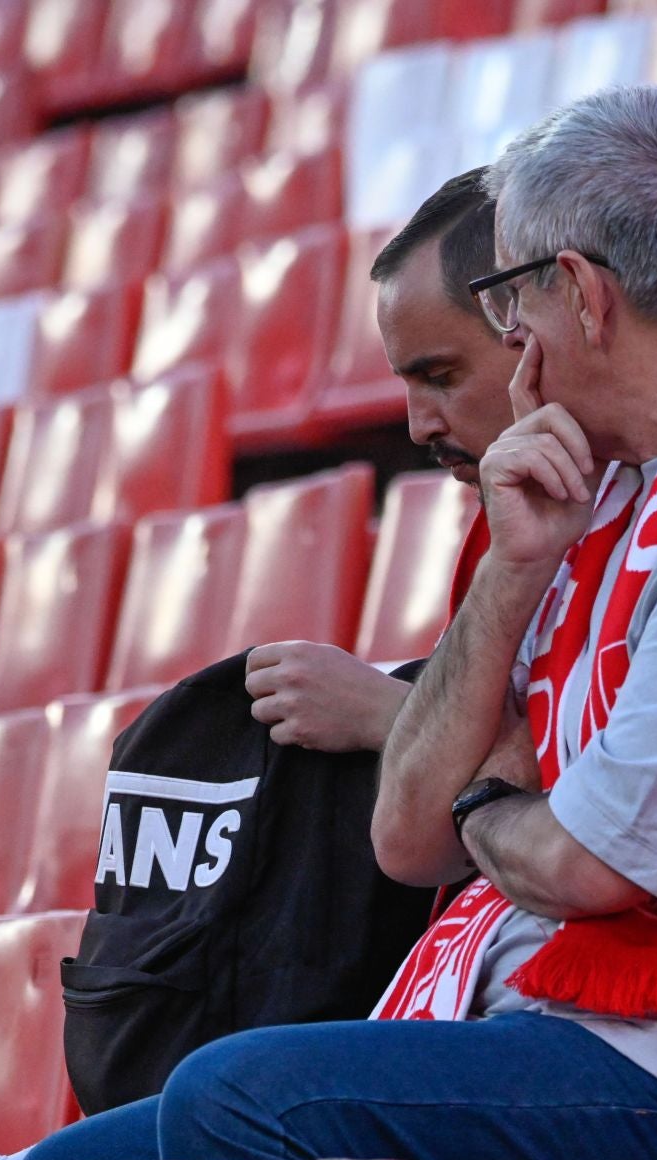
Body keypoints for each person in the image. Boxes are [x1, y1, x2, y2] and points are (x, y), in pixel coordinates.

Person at [2, 86, 657, 1160]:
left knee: (239, 1102)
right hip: (585, 1027)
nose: (507, 339)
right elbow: (407, 838)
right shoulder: (597, 484)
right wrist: (514, 572)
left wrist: (489, 791)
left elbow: (585, 861)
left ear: (585, 296)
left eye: (509, 298)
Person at [239, 166, 516, 755]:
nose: (420, 427)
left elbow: (610, 804)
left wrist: (391, 715)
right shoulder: (507, 524)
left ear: (536, 327)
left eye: (442, 377)